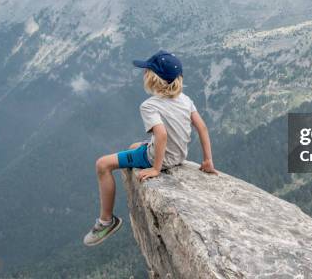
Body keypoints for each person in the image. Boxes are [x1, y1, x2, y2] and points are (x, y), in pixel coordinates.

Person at [83, 50, 217, 246]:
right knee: (135, 146)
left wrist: (156, 168)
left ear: (153, 78)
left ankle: (106, 221)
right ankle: (142, 159)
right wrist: (208, 160)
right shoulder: (186, 100)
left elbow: (161, 134)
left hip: (158, 158)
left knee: (102, 164)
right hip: (179, 156)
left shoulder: (149, 105)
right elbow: (202, 127)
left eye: (146, 71)